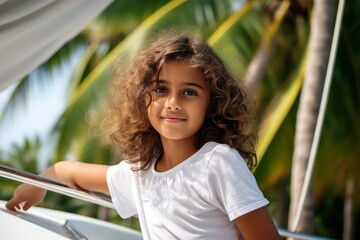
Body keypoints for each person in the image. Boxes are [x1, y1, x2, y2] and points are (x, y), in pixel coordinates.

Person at [6, 33, 281, 240]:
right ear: (143, 99)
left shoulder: (218, 163)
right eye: (161, 89)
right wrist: (35, 185)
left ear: (212, 103)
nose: (173, 102)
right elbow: (69, 171)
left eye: (189, 92)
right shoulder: (141, 174)